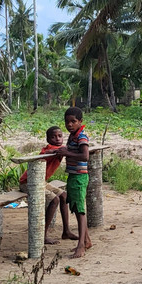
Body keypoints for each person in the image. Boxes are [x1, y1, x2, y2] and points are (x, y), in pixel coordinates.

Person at [18, 126, 73, 245]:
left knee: (64, 195)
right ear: (48, 139)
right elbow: (46, 153)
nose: (57, 139)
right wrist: (60, 150)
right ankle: (42, 235)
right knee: (55, 200)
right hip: (28, 182)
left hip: (41, 181)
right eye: (53, 137)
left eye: (60, 136)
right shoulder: (50, 149)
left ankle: (66, 231)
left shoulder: (61, 149)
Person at [59, 107, 93, 258]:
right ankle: (86, 241)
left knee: (80, 211)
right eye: (67, 122)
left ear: (80, 121)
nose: (70, 124)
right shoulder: (72, 136)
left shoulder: (81, 137)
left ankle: (81, 246)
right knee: (75, 206)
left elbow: (85, 156)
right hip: (73, 175)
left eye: (73, 121)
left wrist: (66, 153)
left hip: (80, 176)